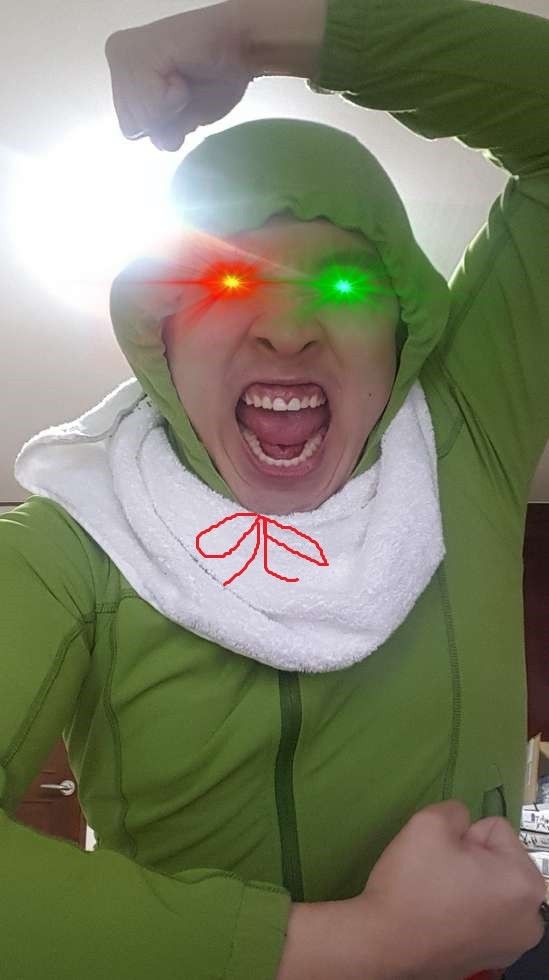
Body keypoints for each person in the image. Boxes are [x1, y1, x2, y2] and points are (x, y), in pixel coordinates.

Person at [1, 0, 548, 978]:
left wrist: (258, 35)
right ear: (160, 334)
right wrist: (368, 944)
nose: (287, 330)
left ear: (405, 332)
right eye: (224, 284)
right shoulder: (71, 540)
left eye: (343, 287)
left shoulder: (463, 436)